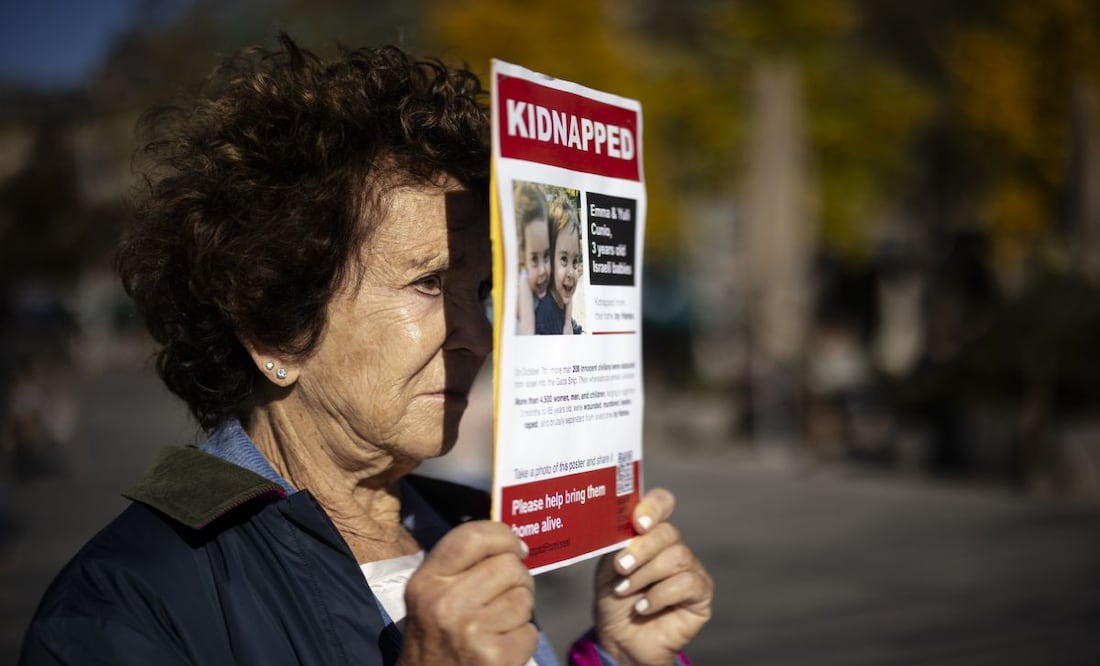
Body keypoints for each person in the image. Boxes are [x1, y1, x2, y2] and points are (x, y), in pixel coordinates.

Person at [19, 35, 712, 665]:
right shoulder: (126, 602)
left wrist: (619, 657)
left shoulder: (463, 527)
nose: (477, 332)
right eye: (430, 283)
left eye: (481, 290)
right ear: (273, 329)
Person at [536, 196, 584, 335]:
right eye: (564, 259)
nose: (571, 272)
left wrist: (568, 322)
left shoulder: (560, 293)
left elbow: (569, 299)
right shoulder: (544, 316)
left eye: (575, 261)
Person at [514, 181, 551, 335]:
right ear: (522, 257)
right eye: (534, 260)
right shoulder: (523, 285)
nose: (543, 270)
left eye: (547, 256)